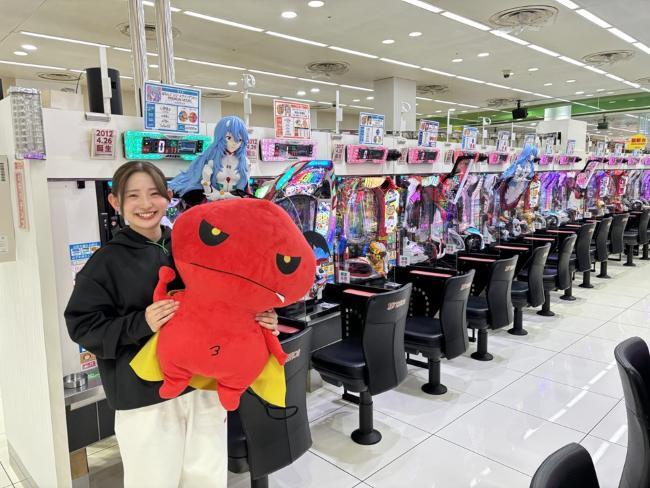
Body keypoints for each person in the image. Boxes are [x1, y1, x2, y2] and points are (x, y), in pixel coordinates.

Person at [64, 160, 279, 487]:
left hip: (204, 384)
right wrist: (141, 322)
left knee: (207, 479)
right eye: (133, 195)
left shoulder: (193, 247)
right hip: (145, 399)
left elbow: (230, 296)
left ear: (168, 196)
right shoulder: (105, 263)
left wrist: (259, 317)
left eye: (154, 193)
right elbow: (82, 326)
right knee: (153, 480)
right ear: (115, 202)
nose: (145, 204)